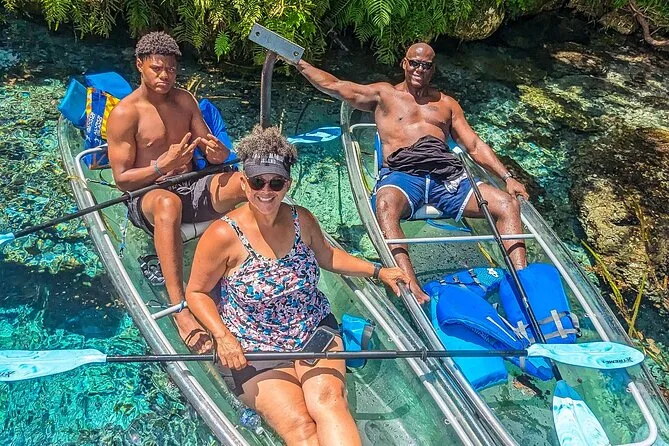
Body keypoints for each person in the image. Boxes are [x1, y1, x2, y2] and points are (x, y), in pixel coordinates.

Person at [185, 125, 408, 446]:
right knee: (301, 426)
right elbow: (196, 292)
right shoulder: (222, 235)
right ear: (244, 183)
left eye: (276, 182)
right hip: (254, 347)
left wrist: (378, 271)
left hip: (312, 329)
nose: (266, 190)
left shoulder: (300, 218)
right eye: (257, 182)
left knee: (330, 403)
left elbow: (328, 255)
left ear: (287, 184)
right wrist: (223, 337)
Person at [289, 43, 530, 304]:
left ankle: (523, 282)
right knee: (385, 204)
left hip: (446, 175)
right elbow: (335, 85)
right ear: (404, 63)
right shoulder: (384, 94)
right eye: (414, 63)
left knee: (506, 204)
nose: (419, 69)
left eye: (426, 65)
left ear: (433, 69)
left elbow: (473, 145)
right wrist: (298, 62)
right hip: (403, 175)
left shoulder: (446, 104)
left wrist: (507, 177)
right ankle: (410, 284)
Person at [106, 32, 245, 353]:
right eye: (156, 69)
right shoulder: (126, 114)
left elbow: (213, 151)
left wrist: (218, 153)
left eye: (170, 69)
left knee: (243, 183)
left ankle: (250, 270)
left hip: (192, 184)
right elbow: (122, 180)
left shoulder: (185, 101)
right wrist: (160, 166)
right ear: (140, 65)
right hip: (148, 194)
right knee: (168, 204)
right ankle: (179, 307)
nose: (164, 76)